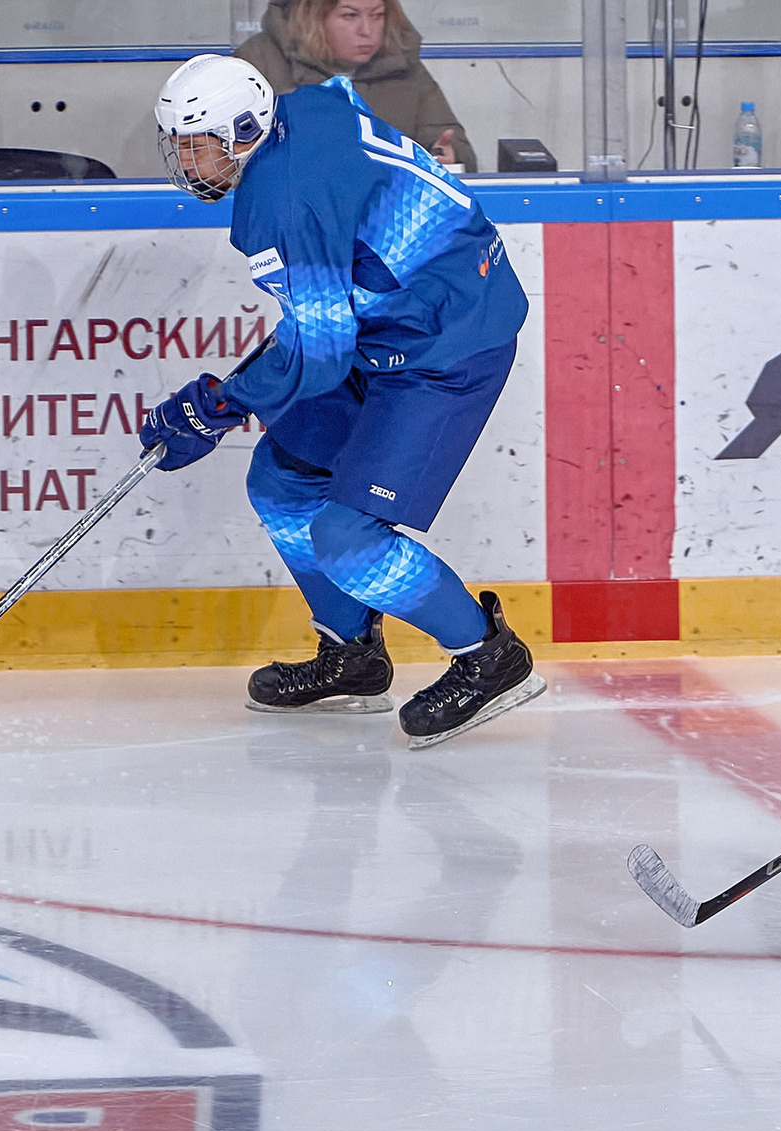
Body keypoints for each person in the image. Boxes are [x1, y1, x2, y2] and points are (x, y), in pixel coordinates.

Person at [139, 56, 541, 749]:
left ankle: (487, 655)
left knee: (348, 541)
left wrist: (218, 406)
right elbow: (325, 312)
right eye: (177, 142)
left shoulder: (282, 201)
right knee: (281, 482)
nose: (185, 159)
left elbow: (320, 350)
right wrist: (230, 398)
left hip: (445, 344)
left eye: (197, 142)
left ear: (243, 131)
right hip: (386, 323)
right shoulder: (301, 116)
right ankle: (351, 653)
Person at [236, 0, 478, 172]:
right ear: (313, 16)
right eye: (350, 15)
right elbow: (216, 157)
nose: (367, 31)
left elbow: (449, 140)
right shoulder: (258, 63)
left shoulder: (403, 67)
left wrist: (449, 156)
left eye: (378, 15)